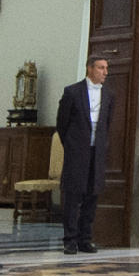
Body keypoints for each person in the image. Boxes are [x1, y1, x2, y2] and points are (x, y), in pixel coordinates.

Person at [53, 55, 116, 254]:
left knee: (92, 196)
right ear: (90, 68)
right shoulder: (72, 92)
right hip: (77, 151)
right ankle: (70, 239)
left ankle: (85, 239)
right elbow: (62, 123)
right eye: (101, 68)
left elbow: (106, 123)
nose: (105, 72)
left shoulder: (109, 94)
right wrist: (72, 145)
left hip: (97, 152)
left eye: (106, 68)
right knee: (73, 196)